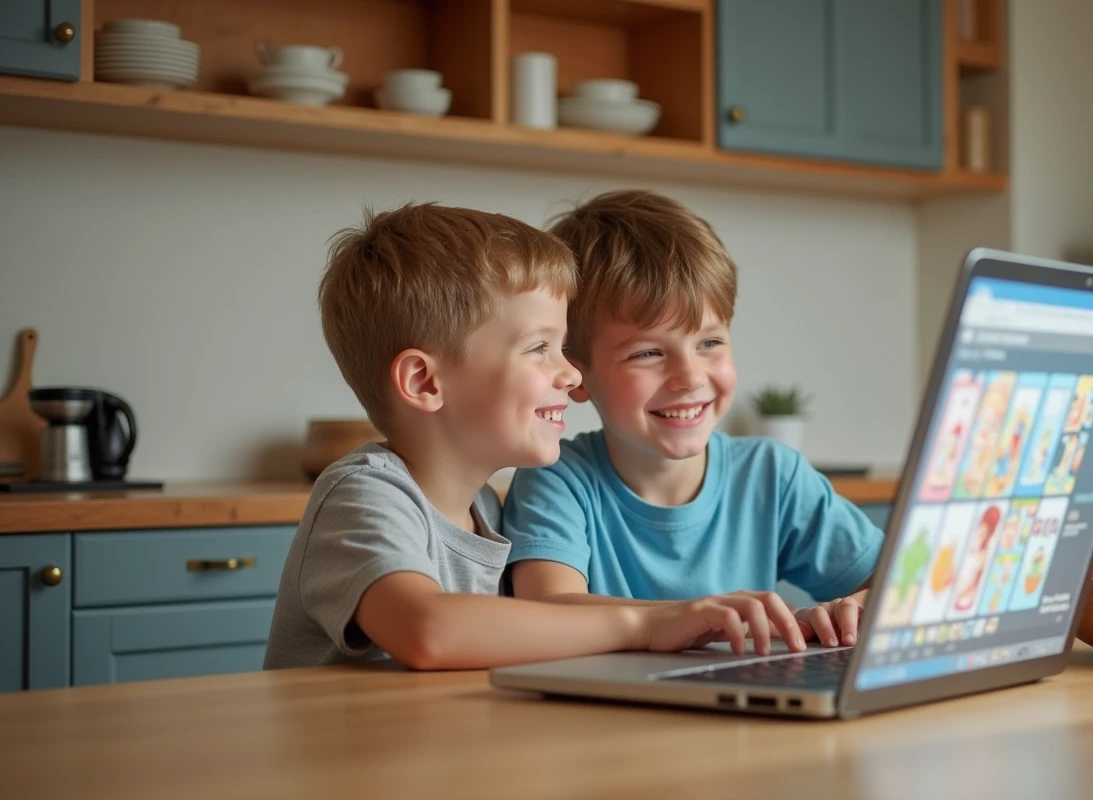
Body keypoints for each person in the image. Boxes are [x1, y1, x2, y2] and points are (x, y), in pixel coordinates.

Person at [264, 202, 803, 671]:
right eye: (540, 348)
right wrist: (644, 624)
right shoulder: (363, 496)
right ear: (425, 382)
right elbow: (428, 630)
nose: (570, 374)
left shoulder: (484, 509)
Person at [504, 190, 885, 648]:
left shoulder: (772, 475)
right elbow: (547, 610)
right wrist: (686, 617)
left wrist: (855, 608)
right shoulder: (557, 479)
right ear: (576, 372)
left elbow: (903, 584)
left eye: (710, 343)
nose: (690, 377)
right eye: (648, 352)